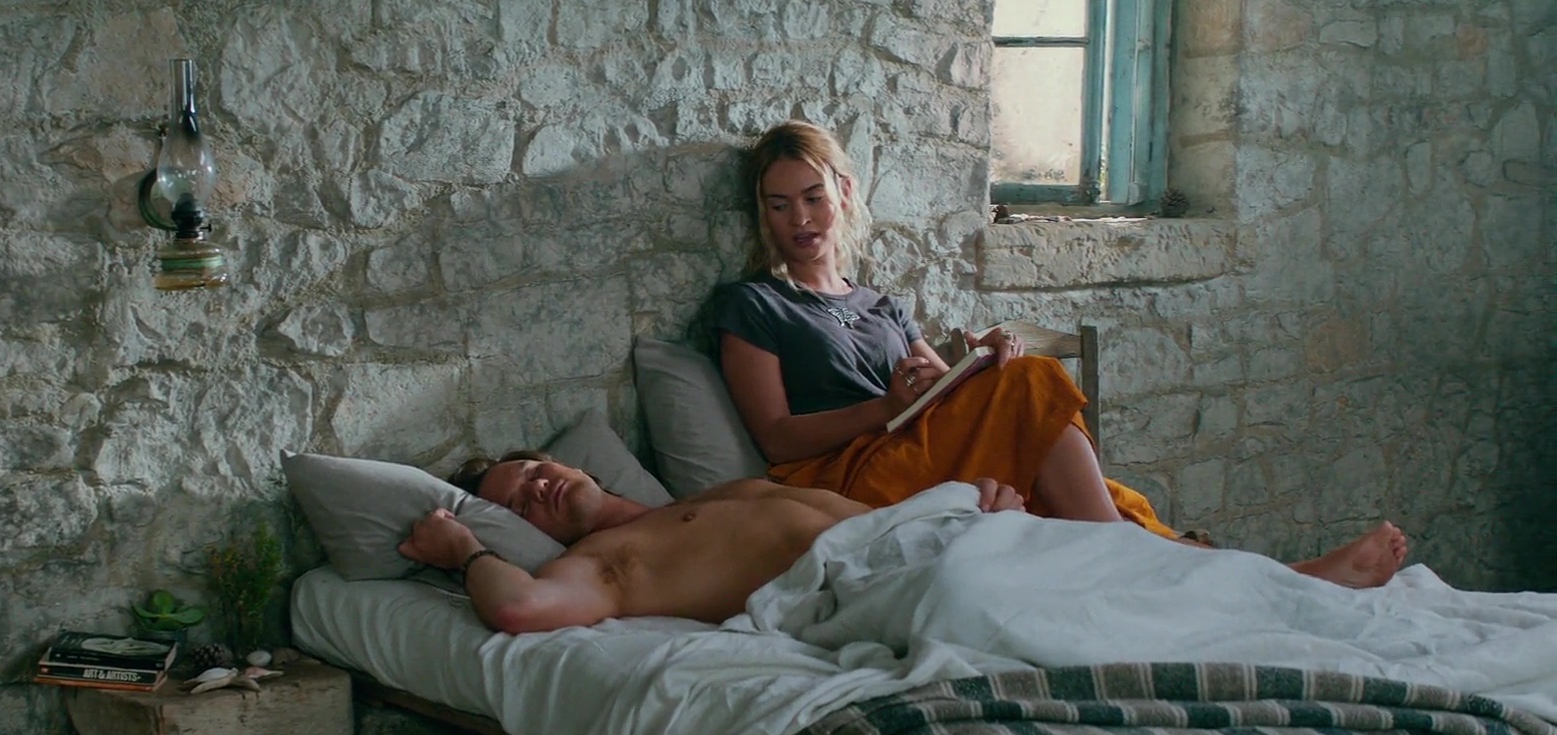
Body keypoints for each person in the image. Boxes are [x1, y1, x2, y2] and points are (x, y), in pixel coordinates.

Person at [712, 119, 1175, 537]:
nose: (800, 219)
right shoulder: (754, 303)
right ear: (764, 214)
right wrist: (884, 409)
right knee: (1033, 383)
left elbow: (943, 396)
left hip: (918, 450)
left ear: (845, 192)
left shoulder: (884, 306)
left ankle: (1136, 544)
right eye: (780, 205)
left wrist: (979, 361)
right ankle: (1114, 545)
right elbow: (775, 438)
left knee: (1064, 459)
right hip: (847, 474)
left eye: (814, 198)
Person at [398, 452, 1411, 634]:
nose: (538, 483)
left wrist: (969, 506)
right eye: (518, 499)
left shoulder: (703, 495)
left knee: (1096, 545)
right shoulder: (594, 567)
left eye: (536, 465)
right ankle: (1286, 593)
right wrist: (462, 550)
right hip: (871, 581)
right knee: (1064, 584)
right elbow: (522, 609)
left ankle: (1284, 583)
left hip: (926, 532)